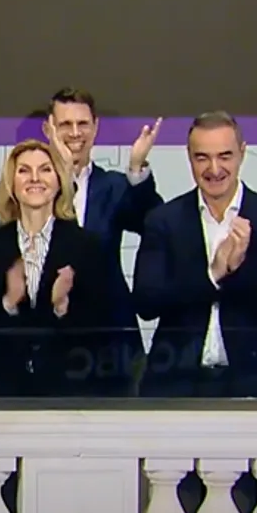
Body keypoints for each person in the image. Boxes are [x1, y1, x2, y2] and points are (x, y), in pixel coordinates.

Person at [133, 111, 257, 398]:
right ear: (189, 158)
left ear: (242, 153)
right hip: (177, 385)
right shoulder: (163, 221)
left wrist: (239, 269)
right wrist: (212, 274)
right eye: (202, 157)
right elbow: (146, 302)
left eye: (225, 156)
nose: (214, 168)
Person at [0, 139, 112, 397]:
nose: (35, 178)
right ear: (12, 184)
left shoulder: (86, 246)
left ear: (58, 180)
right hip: (2, 392)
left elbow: (104, 327)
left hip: (68, 390)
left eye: (45, 169)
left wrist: (61, 307)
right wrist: (8, 303)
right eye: (24, 171)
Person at [44, 87, 164, 382]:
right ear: (50, 129)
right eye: (65, 125)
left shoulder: (115, 187)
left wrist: (137, 168)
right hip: (50, 335)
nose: (75, 133)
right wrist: (61, 177)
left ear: (95, 127)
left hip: (112, 341)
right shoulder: (32, 186)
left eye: (83, 124)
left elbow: (153, 223)